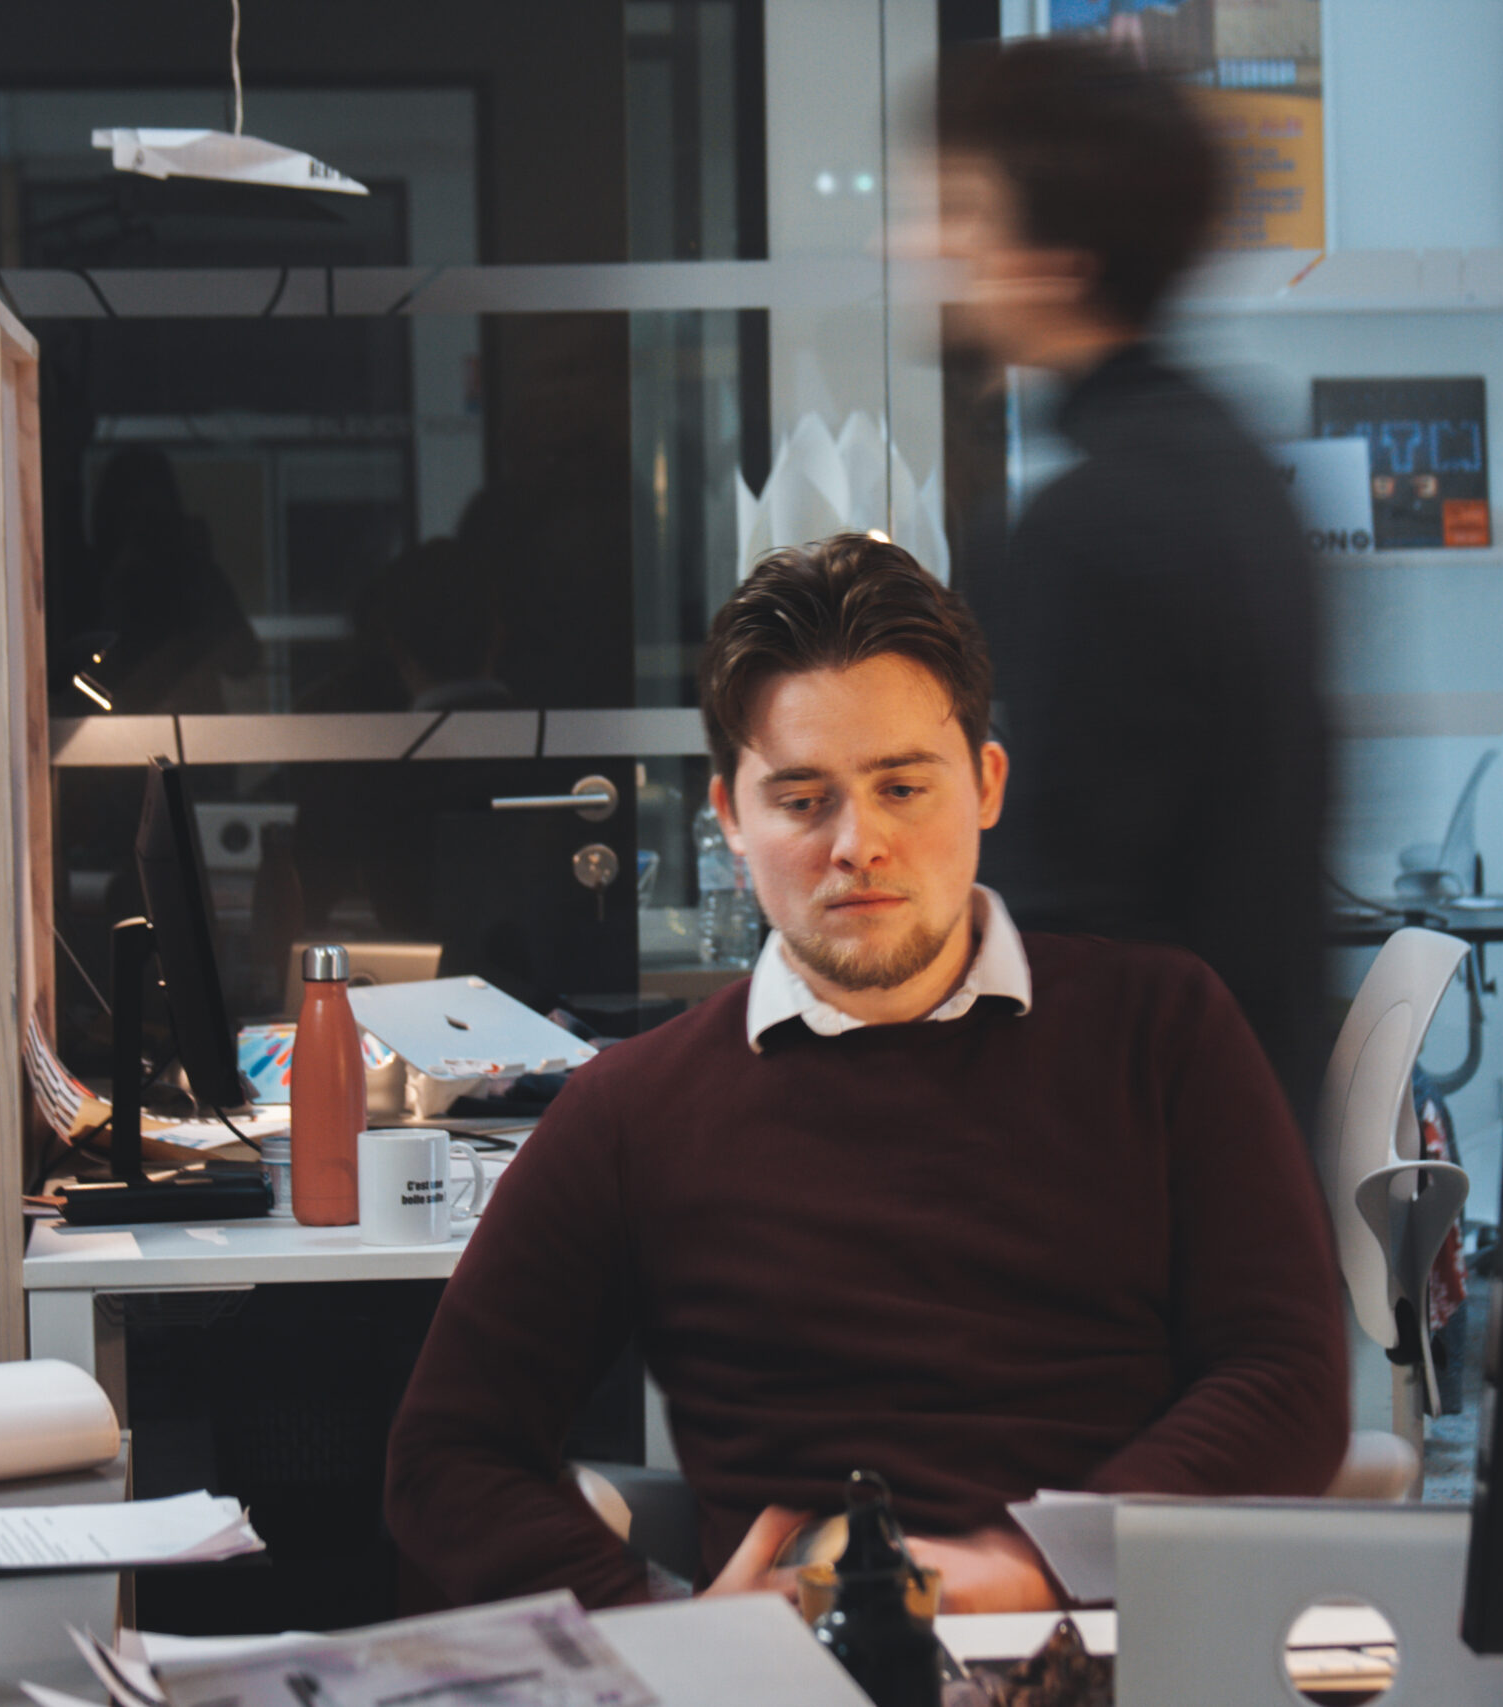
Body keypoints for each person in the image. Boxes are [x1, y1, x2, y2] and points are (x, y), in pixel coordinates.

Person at [385, 533, 1349, 1612]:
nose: (858, 843)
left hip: (1110, 1650)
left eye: (902, 786)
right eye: (803, 800)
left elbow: (1288, 1382)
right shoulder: (636, 1109)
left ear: (985, 785)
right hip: (798, 1677)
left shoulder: (1161, 1030)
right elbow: (446, 1461)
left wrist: (1039, 1568)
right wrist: (660, 1621)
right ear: (729, 821)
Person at [938, 40, 1330, 1103]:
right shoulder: (1232, 466)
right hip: (1238, 1122)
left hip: (1137, 1163)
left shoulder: (1094, 520)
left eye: (964, 213)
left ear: (1056, 257)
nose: (933, 246)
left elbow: (1063, 919)